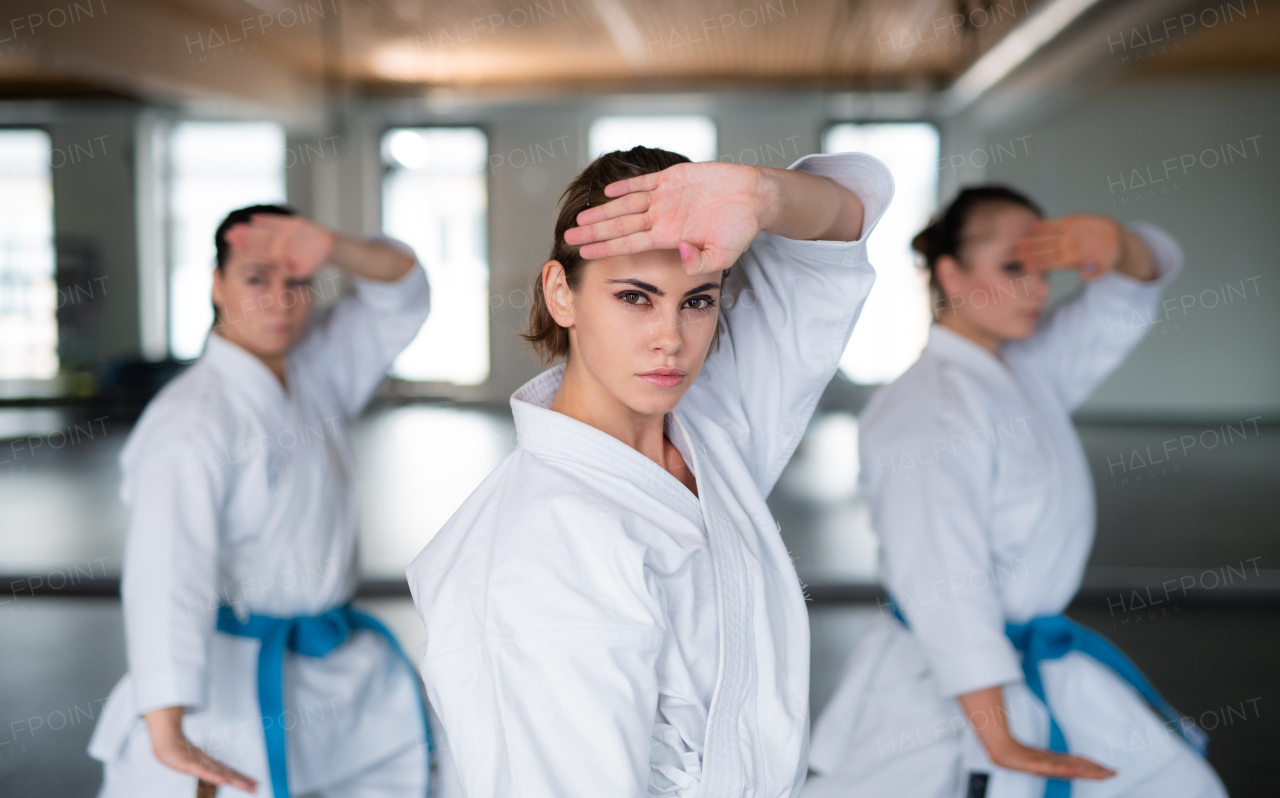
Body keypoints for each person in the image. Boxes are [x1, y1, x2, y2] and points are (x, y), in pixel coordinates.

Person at [406, 146, 893, 797]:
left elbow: (845, 219)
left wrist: (760, 195)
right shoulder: (540, 554)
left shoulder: (710, 431)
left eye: (697, 301)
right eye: (635, 297)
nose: (671, 337)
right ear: (562, 292)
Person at [804, 187, 1228, 798]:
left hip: (1042, 664)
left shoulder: (1025, 367)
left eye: (1042, 268)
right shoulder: (927, 409)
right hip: (948, 686)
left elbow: (1131, 291)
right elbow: (942, 582)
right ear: (950, 272)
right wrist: (998, 738)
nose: (1036, 288)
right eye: (1012, 267)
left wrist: (1118, 242)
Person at [88, 205, 437, 798]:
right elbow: (169, 573)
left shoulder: (316, 367)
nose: (280, 300)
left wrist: (330, 244)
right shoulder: (191, 422)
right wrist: (169, 725)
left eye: (297, 280)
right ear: (216, 285)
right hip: (223, 689)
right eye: (256, 278)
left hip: (332, 672)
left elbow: (401, 291)